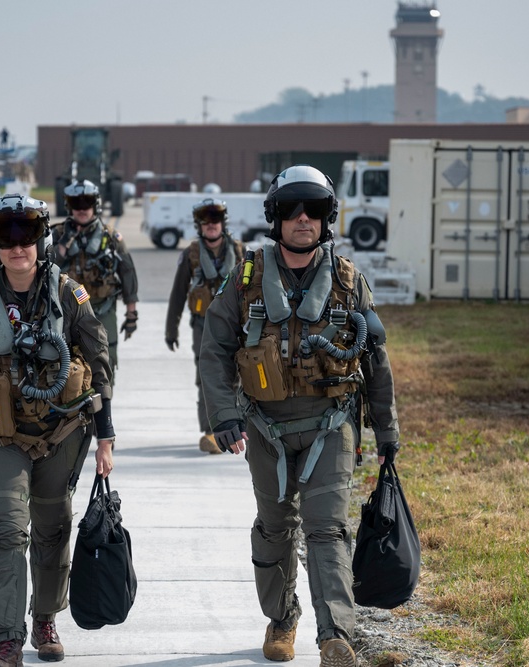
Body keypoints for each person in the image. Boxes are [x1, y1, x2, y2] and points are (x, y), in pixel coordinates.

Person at [199, 165, 400, 667]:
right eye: (291, 209)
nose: (303, 219)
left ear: (327, 217)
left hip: (330, 422)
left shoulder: (350, 282)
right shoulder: (244, 278)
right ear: (276, 217)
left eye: (313, 209)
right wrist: (224, 415)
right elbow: (214, 348)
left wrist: (387, 429)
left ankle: (335, 635)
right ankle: (282, 618)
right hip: (265, 426)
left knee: (326, 528)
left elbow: (374, 357)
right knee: (274, 527)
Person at [0, 194, 116, 667]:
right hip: (1, 437)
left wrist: (105, 434)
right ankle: (8, 642)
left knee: (52, 529)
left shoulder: (69, 296)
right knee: (7, 531)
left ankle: (45, 619)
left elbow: (98, 361)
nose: (17, 247)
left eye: (27, 235)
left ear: (42, 240)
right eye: (5, 236)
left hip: (61, 433)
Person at [164, 198, 245, 454]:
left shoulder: (241, 252)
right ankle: (211, 430)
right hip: (203, 326)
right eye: (206, 221)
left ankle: (239, 426)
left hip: (236, 325)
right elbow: (178, 293)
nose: (211, 225)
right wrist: (171, 329)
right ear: (199, 225)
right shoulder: (191, 254)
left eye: (216, 220)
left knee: (240, 376)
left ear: (223, 223)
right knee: (207, 377)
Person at [52, 179, 139, 380]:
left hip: (103, 309)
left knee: (106, 364)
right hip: (68, 313)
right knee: (67, 365)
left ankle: (104, 408)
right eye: (76, 204)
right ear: (69, 206)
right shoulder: (57, 235)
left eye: (87, 203)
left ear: (96, 205)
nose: (82, 209)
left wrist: (131, 313)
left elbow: (128, 273)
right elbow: (46, 268)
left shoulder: (110, 237)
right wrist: (64, 243)